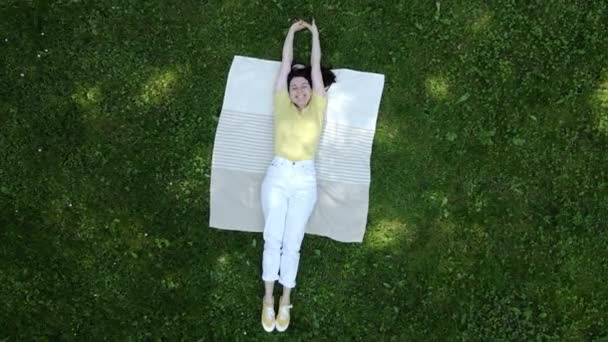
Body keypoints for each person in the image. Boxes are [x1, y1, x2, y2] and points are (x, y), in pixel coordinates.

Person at [260, 18, 335, 333]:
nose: (301, 89)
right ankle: (267, 299)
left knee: (293, 242)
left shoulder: (319, 104)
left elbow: (315, 64)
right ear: (288, 92)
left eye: (304, 85)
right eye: (295, 86)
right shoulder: (281, 103)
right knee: (272, 238)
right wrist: (292, 32)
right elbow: (286, 63)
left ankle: (285, 298)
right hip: (278, 175)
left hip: (305, 179)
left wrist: (315, 34)